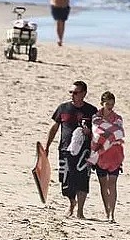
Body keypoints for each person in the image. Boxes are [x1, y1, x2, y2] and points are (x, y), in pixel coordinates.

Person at [45, 81, 97, 219]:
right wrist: (47, 146)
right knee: (66, 180)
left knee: (82, 180)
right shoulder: (63, 108)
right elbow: (54, 128)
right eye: (71, 92)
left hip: (85, 152)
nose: (72, 95)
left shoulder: (92, 111)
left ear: (84, 94)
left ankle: (80, 210)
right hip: (65, 149)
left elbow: (99, 133)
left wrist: (89, 133)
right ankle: (71, 202)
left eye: (75, 92)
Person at [88, 91, 124, 223]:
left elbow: (120, 134)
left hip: (115, 154)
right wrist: (111, 134)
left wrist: (108, 135)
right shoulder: (96, 117)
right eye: (107, 104)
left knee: (113, 183)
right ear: (102, 103)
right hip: (100, 155)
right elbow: (97, 133)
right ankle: (107, 211)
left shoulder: (118, 118)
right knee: (103, 184)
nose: (110, 106)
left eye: (112, 104)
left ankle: (112, 214)